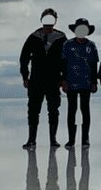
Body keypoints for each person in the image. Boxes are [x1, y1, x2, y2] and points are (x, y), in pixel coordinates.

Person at [19, 8, 67, 150]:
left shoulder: (61, 38)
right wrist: (25, 76)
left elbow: (66, 60)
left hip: (53, 80)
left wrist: (64, 79)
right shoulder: (34, 37)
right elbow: (24, 57)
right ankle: (31, 139)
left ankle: (53, 139)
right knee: (33, 109)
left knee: (53, 109)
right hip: (36, 80)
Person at [61, 18, 99, 149]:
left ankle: (85, 139)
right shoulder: (67, 45)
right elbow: (63, 64)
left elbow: (94, 65)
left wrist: (95, 82)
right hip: (71, 82)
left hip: (86, 82)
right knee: (71, 110)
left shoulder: (91, 45)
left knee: (85, 110)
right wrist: (63, 81)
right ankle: (71, 139)